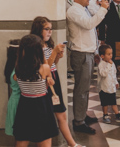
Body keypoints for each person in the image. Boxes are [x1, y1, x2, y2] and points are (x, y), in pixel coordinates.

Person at [30, 17, 84, 147]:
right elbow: (44, 68)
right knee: (46, 116)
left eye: (51, 29)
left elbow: (52, 64)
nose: (50, 32)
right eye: (46, 29)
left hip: (54, 77)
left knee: (61, 113)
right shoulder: (35, 46)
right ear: (38, 29)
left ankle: (72, 144)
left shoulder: (48, 44)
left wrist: (57, 56)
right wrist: (54, 52)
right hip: (44, 81)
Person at [67, 0, 109, 134]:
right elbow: (89, 24)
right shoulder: (73, 11)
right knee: (81, 89)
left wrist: (95, 50)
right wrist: (103, 8)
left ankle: (82, 114)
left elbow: (91, 32)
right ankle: (78, 122)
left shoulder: (83, 8)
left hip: (88, 52)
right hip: (81, 53)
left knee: (85, 88)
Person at [12, 35, 59, 146]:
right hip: (41, 105)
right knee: (44, 138)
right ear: (38, 51)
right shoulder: (44, 68)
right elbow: (47, 66)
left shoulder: (18, 67)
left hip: (24, 104)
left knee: (22, 138)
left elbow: (15, 78)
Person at [96, 44, 120, 124]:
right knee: (105, 103)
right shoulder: (101, 65)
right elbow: (103, 74)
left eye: (111, 54)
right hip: (103, 88)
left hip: (111, 87)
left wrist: (116, 82)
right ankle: (105, 115)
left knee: (113, 102)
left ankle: (117, 114)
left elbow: (114, 73)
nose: (111, 56)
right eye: (109, 54)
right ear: (102, 56)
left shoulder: (112, 63)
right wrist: (109, 65)